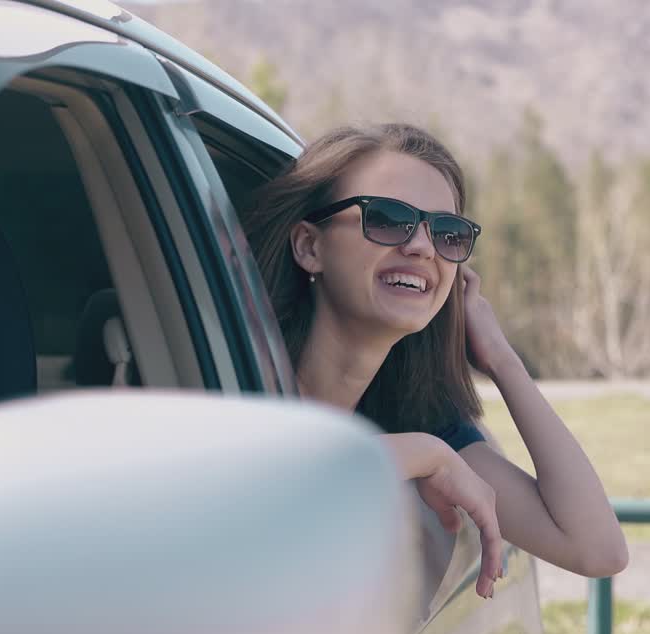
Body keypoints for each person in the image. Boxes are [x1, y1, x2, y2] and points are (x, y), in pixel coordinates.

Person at [244, 123, 628, 599]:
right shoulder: (228, 378)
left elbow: (596, 549)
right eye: (387, 219)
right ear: (310, 246)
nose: (422, 247)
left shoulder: (412, 416)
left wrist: (503, 361)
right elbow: (252, 482)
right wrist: (422, 455)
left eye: (447, 233)